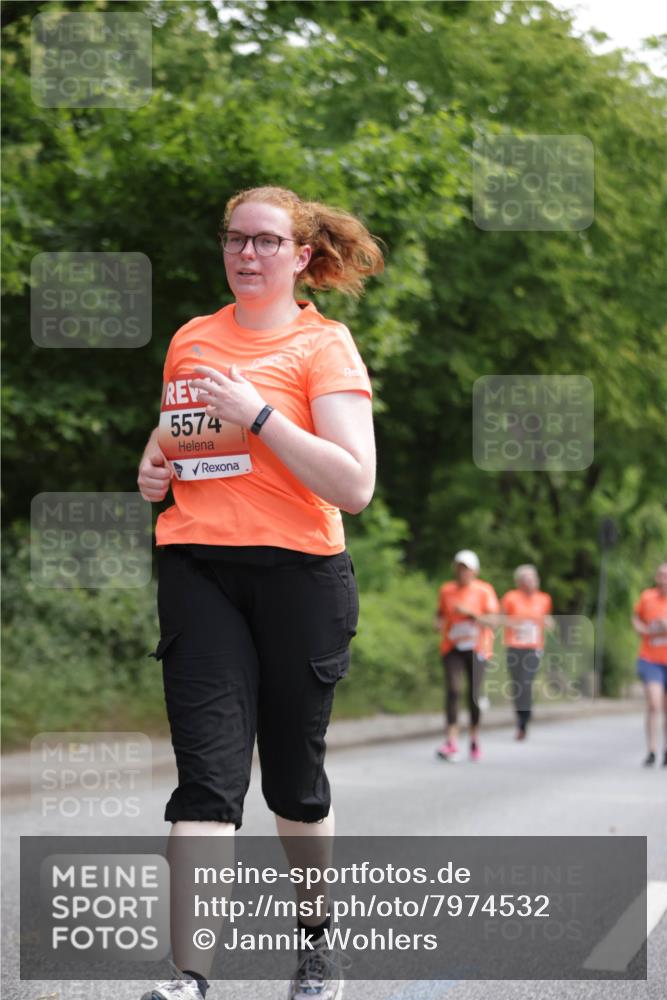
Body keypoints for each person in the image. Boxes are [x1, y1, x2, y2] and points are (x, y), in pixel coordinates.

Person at [137, 185, 383, 1000]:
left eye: (267, 242)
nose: (247, 254)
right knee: (206, 778)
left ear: (301, 255)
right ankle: (188, 976)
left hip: (300, 578)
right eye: (235, 239)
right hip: (199, 567)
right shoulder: (192, 338)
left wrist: (263, 416)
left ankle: (316, 945)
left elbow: (353, 485)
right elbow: (181, 431)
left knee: (293, 783)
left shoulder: (325, 348)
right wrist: (154, 462)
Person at [433, 550, 499, 762]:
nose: (462, 572)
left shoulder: (484, 590)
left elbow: (494, 621)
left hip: (478, 647)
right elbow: (440, 614)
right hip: (452, 646)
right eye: (459, 567)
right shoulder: (446, 590)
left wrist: (471, 614)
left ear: (475, 571)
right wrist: (438, 622)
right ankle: (451, 741)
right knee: (453, 690)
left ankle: (474, 738)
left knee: (474, 695)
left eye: (467, 568)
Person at [500, 565, 555, 741]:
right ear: (520, 582)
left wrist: (549, 623)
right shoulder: (511, 597)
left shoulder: (544, 599)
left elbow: (547, 618)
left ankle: (524, 717)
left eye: (533, 578)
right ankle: (521, 717)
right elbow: (500, 617)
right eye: (527, 579)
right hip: (514, 645)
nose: (531, 582)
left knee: (526, 681)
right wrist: (514, 623)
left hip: (533, 646)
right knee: (517, 685)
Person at [631, 562, 667, 767]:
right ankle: (652, 750)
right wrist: (641, 628)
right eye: (661, 575)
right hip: (650, 658)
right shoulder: (647, 597)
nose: (664, 579)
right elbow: (636, 618)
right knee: (654, 704)